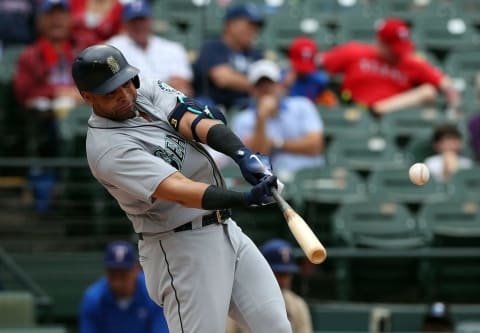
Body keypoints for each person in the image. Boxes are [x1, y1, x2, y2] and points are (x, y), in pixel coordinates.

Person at [71, 44, 292, 333]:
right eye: (111, 92)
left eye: (125, 83)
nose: (124, 95)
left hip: (225, 230)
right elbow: (181, 190)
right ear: (87, 96)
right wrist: (245, 198)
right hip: (180, 248)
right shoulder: (107, 150)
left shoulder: (141, 89)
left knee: (276, 327)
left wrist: (242, 154)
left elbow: (190, 117)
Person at [13, 0, 83, 212]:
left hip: (83, 114)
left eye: (61, 14)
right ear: (40, 21)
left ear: (70, 19)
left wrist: (79, 95)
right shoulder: (30, 55)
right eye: (50, 15)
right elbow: (23, 93)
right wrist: (57, 92)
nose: (56, 20)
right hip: (47, 122)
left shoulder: (82, 48)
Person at [318, 18, 460, 115]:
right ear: (380, 42)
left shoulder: (411, 62)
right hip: (354, 109)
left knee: (428, 91)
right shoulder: (355, 51)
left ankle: (379, 110)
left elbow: (446, 84)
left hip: (395, 114)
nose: (398, 53)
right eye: (393, 48)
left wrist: (453, 108)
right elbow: (318, 63)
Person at [232, 59, 325, 177]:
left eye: (270, 84)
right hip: (272, 184)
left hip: (312, 177)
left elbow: (316, 146)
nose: (265, 89)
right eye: (260, 85)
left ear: (279, 85)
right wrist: (261, 117)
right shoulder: (243, 120)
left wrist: (277, 144)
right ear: (252, 90)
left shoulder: (302, 105)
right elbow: (257, 160)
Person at [106, 0, 193, 96]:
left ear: (150, 21)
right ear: (125, 24)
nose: (139, 25)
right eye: (134, 21)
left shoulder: (172, 48)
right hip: (133, 104)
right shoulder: (114, 47)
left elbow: (182, 82)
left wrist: (144, 89)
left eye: (142, 20)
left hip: (169, 103)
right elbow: (118, 84)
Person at [79, 240, 168, 333]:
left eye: (123, 275)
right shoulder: (94, 298)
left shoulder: (152, 294)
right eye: (113, 275)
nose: (118, 282)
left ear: (136, 270)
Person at [227, 239, 313, 333]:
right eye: (278, 273)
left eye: (286, 274)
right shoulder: (238, 300)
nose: (283, 280)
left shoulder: (298, 305)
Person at [192, 3, 265, 110]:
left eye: (256, 27)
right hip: (213, 110)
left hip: (248, 111)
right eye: (249, 25)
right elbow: (223, 78)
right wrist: (257, 85)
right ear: (231, 24)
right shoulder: (213, 47)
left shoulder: (256, 54)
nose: (253, 31)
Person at [283, 36, 337, 108]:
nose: (303, 71)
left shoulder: (320, 80)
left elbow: (332, 105)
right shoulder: (282, 78)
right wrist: (285, 86)